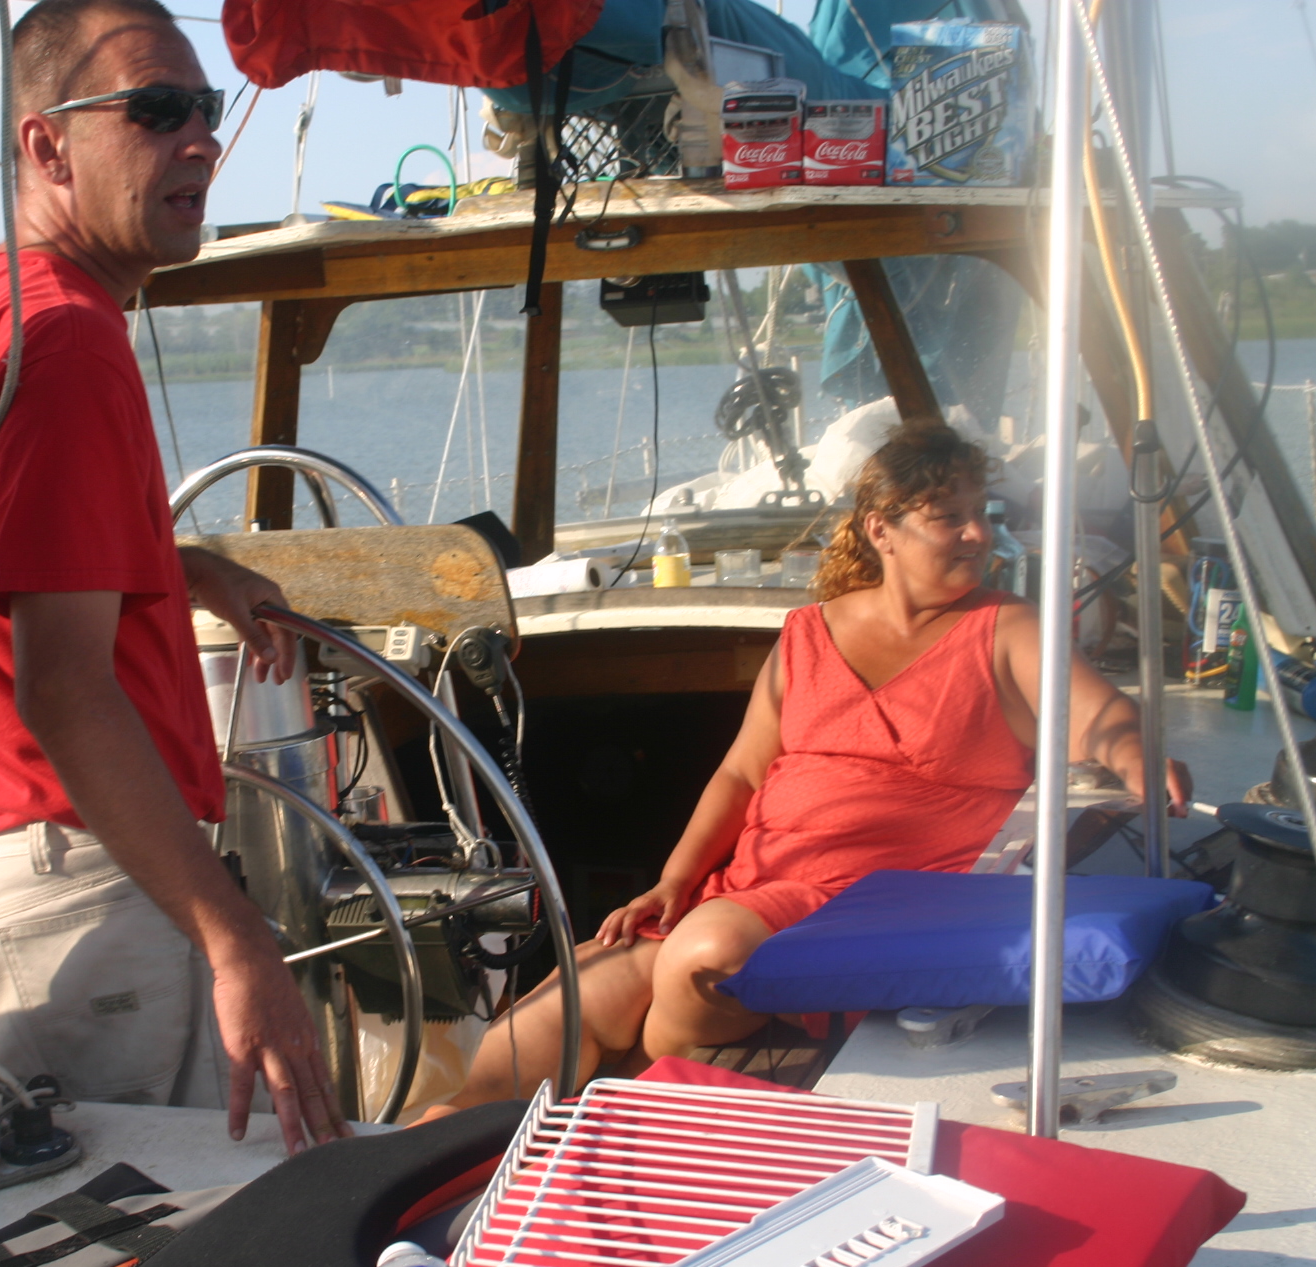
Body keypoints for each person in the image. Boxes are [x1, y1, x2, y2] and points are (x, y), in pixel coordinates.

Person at [427, 419, 1193, 1113]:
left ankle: (623, 1097)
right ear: (882, 530)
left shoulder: (1007, 627)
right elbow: (740, 775)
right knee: (558, 1013)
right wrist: (674, 881)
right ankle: (428, 1151)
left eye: (980, 513)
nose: (976, 534)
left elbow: (1098, 716)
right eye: (949, 517)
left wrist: (1135, 755)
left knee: (702, 957)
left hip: (871, 908)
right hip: (753, 888)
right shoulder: (807, 633)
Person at [0, 0, 349, 1157]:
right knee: (180, 1242)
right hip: (79, 896)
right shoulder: (68, 339)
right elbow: (64, 688)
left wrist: (182, 565)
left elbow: (1, 556)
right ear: (46, 145)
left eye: (204, 108)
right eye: (155, 110)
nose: (201, 138)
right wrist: (235, 936)